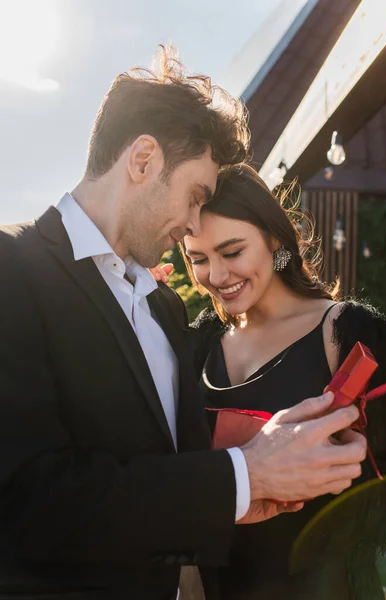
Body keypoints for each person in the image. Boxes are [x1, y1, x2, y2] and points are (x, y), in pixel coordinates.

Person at [0, 47, 367, 600]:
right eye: (195, 196)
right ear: (143, 159)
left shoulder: (163, 308)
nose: (195, 222)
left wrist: (251, 488)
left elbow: (161, 477)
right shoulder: (12, 268)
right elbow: (23, 498)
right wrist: (245, 476)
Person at [181, 163, 386, 599]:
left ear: (274, 238)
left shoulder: (346, 332)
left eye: (232, 251)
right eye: (199, 259)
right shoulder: (198, 343)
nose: (217, 276)